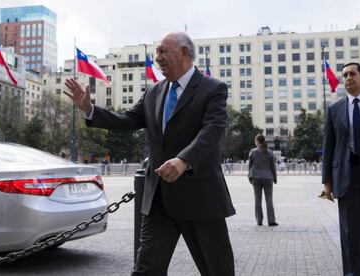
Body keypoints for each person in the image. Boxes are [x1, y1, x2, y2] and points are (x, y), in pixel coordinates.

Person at [64, 31, 235, 276]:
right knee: (146, 269)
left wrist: (184, 160)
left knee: (217, 270)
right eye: (157, 52)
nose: (158, 57)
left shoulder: (212, 88)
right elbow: (127, 119)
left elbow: (213, 130)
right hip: (159, 200)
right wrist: (90, 109)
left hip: (200, 198)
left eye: (163, 51)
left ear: (184, 53)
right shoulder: (154, 91)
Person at [322, 62, 360, 275]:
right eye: (345, 74)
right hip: (348, 178)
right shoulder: (334, 109)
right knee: (351, 236)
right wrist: (327, 182)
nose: (348, 77)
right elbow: (328, 147)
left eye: (353, 73)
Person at [248, 134, 278, 226]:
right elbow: (273, 167)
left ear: (257, 141)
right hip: (268, 178)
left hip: (256, 178)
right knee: (269, 199)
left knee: (257, 199)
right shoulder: (270, 152)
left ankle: (259, 221)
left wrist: (249, 176)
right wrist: (275, 178)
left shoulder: (252, 152)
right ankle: (271, 221)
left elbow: (250, 166)